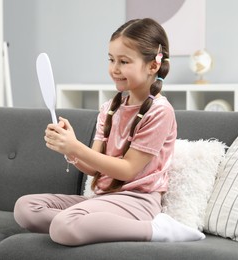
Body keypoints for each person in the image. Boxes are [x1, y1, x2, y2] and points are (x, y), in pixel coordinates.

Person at [14, 18, 205, 246]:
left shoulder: (160, 112)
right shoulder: (109, 109)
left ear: (153, 66)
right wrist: (70, 148)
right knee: (25, 208)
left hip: (138, 201)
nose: (115, 69)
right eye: (111, 60)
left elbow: (127, 170)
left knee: (64, 225)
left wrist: (75, 147)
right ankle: (87, 223)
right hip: (105, 198)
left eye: (124, 61)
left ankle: (154, 229)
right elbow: (94, 169)